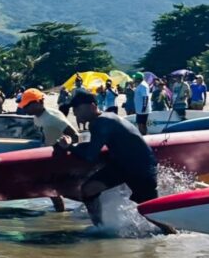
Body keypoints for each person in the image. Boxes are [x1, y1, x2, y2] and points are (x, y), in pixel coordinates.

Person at [55, 91, 159, 225]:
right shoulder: (105, 118)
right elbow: (94, 146)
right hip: (122, 166)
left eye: (77, 109)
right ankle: (99, 228)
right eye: (73, 109)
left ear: (92, 106)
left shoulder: (101, 123)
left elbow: (90, 156)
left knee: (150, 213)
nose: (74, 113)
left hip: (140, 169)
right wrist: (74, 146)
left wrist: (69, 147)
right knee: (88, 189)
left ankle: (172, 233)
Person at [17, 88, 77, 212]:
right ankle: (61, 213)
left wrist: (65, 149)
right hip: (48, 156)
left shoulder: (52, 117)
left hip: (59, 156)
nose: (25, 109)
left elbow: (75, 136)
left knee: (61, 189)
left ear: (37, 103)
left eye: (27, 106)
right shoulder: (37, 117)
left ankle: (70, 210)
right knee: (50, 189)